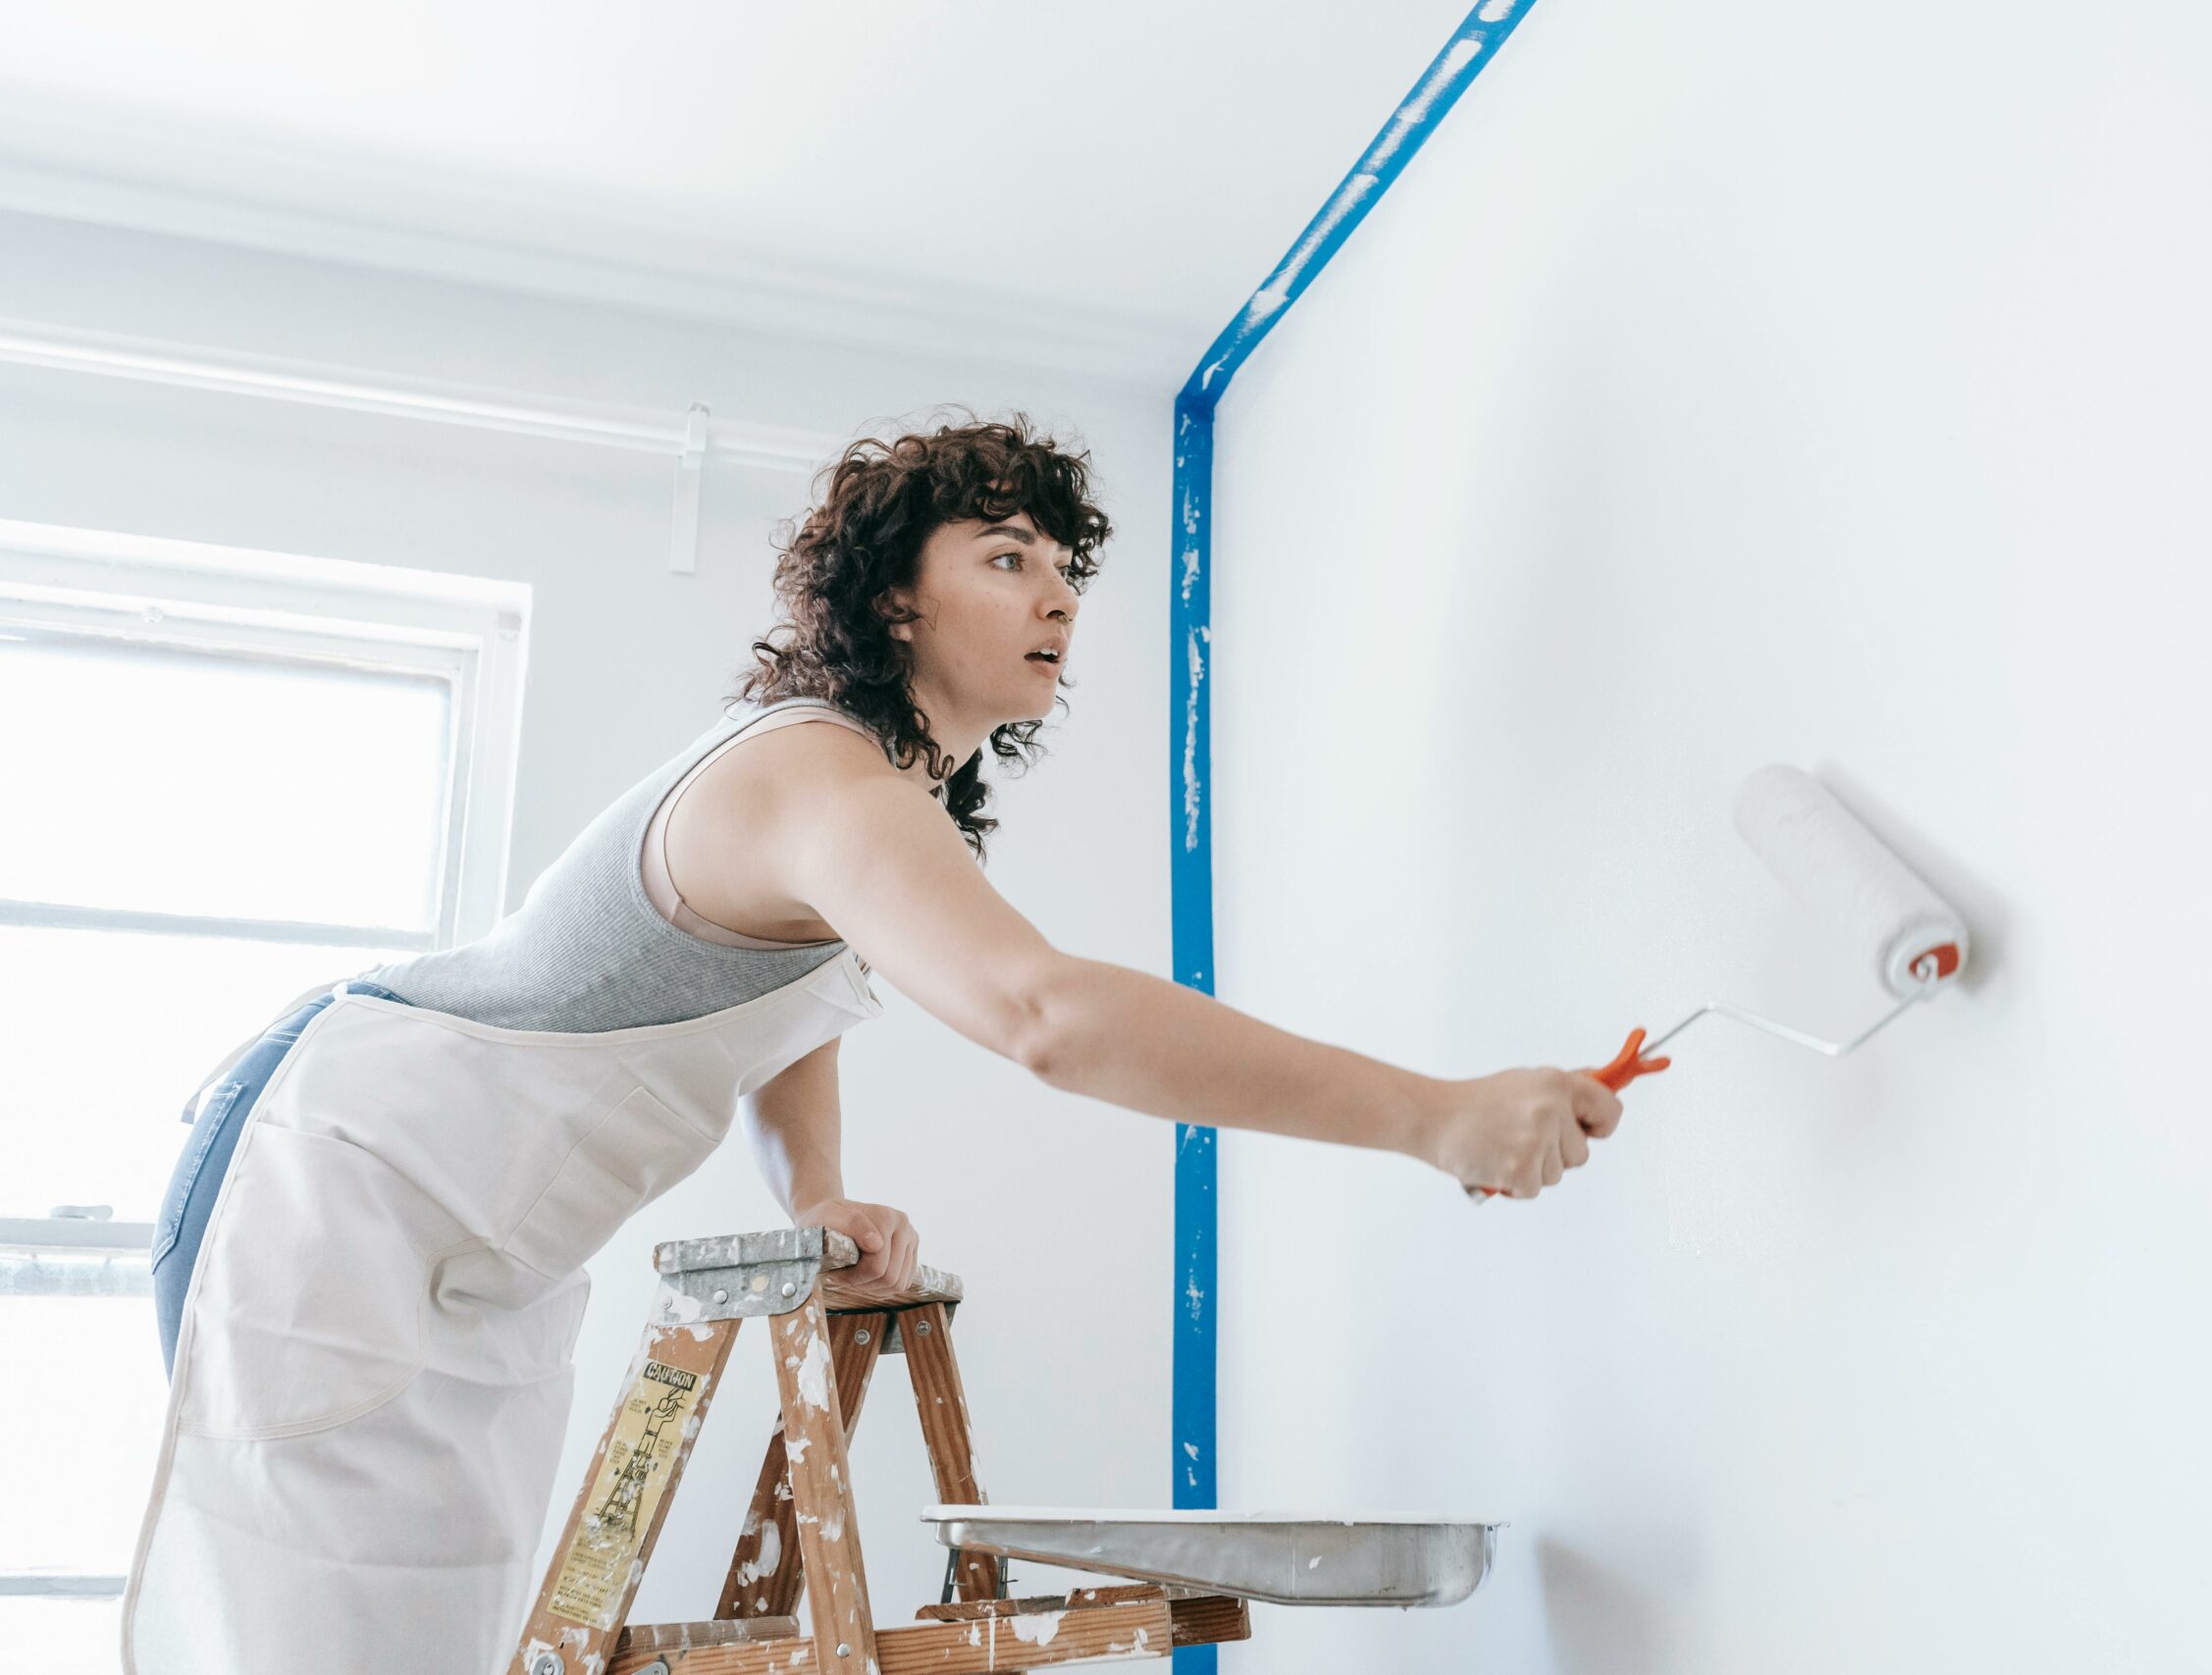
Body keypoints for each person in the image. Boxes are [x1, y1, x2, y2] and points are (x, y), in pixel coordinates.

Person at [124, 411, 1621, 1675]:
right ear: (895, 601)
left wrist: (813, 1195)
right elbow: (1045, 1018)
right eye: (1006, 557)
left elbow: (784, 1012)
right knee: (305, 1636)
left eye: (1064, 569)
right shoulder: (818, 777)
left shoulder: (864, 810)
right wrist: (1436, 1116)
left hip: (469, 1248)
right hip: (342, 1184)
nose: (1059, 599)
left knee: (432, 1629)